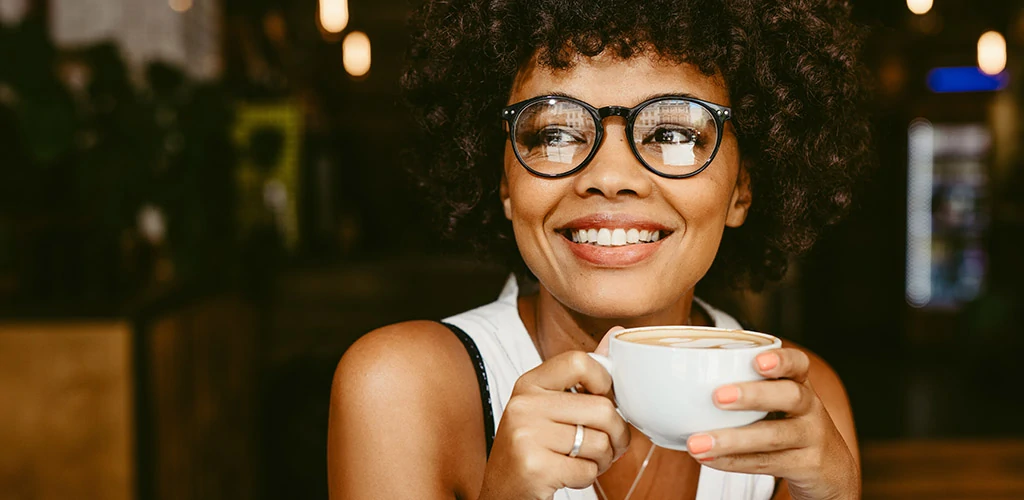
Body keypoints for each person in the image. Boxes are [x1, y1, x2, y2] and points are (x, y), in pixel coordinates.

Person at [328, 0, 872, 498]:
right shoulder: (402, 390)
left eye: (674, 134)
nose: (610, 177)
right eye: (556, 134)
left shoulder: (795, 403)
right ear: (505, 186)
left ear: (742, 190)